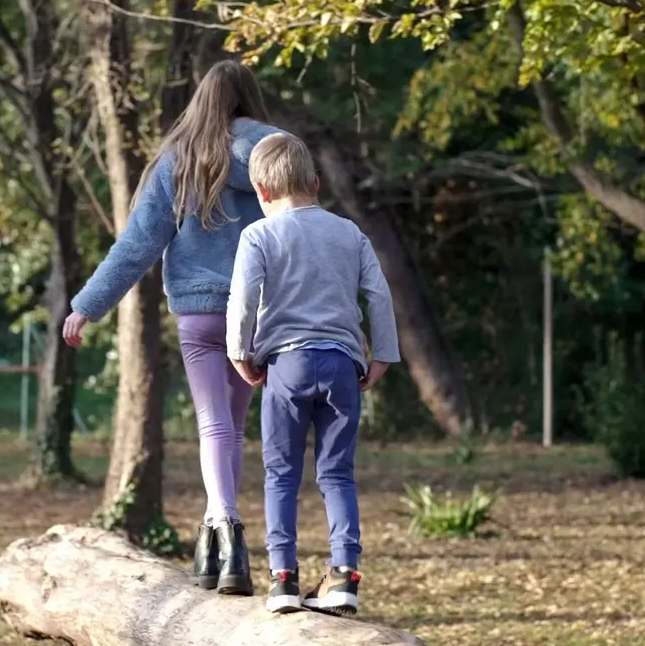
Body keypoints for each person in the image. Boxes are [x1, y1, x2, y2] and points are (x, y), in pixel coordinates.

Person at [64, 61, 287, 597]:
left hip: (201, 314)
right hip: (258, 313)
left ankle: (223, 533)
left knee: (215, 426)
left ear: (201, 100)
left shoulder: (179, 162)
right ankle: (221, 542)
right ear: (250, 98)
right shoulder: (277, 157)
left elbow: (136, 246)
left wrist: (87, 306)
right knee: (233, 427)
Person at [226, 133, 399, 617]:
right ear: (317, 183)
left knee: (281, 473)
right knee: (337, 472)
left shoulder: (258, 235)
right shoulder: (349, 233)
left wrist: (239, 351)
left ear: (261, 191)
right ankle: (344, 575)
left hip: (287, 367)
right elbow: (378, 294)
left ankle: (283, 577)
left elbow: (243, 298)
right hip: (342, 365)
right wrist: (383, 354)